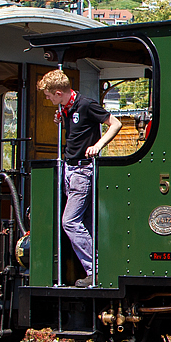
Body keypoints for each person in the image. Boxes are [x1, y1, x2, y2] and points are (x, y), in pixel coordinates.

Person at [37, 70, 122, 287]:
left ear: (58, 92)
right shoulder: (67, 108)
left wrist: (98, 146)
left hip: (82, 171)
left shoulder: (86, 104)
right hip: (70, 169)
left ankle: (95, 270)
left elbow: (116, 123)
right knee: (82, 222)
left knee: (70, 222)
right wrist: (61, 119)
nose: (48, 99)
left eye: (49, 95)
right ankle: (95, 268)